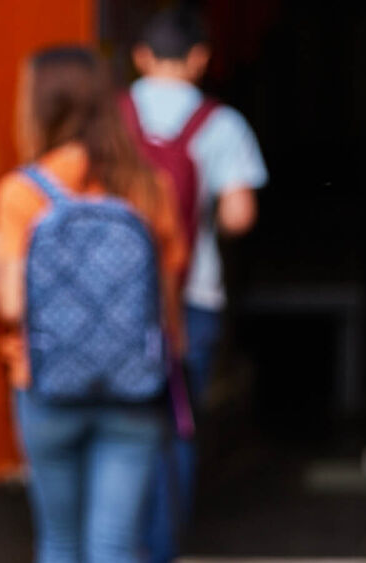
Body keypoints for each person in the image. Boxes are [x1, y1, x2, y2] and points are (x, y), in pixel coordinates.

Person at [0, 46, 188, 562]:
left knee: (59, 542)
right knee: (114, 544)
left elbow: (14, 307)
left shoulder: (21, 192)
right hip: (134, 388)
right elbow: (167, 301)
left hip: (48, 387)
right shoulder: (148, 187)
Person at [126, 8, 268, 561]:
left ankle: (120, 545)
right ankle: (162, 548)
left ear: (140, 56)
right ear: (201, 58)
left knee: (124, 426)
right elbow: (239, 216)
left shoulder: (109, 119)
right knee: (176, 425)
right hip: (192, 297)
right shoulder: (221, 123)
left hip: (120, 304)